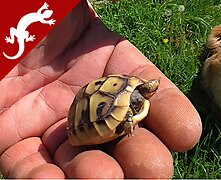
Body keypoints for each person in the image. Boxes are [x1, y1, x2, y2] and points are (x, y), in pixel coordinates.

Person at [0, 0, 202, 178]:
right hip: (81, 119)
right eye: (138, 99)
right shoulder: (128, 113)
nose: (140, 99)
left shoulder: (135, 90)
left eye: (141, 95)